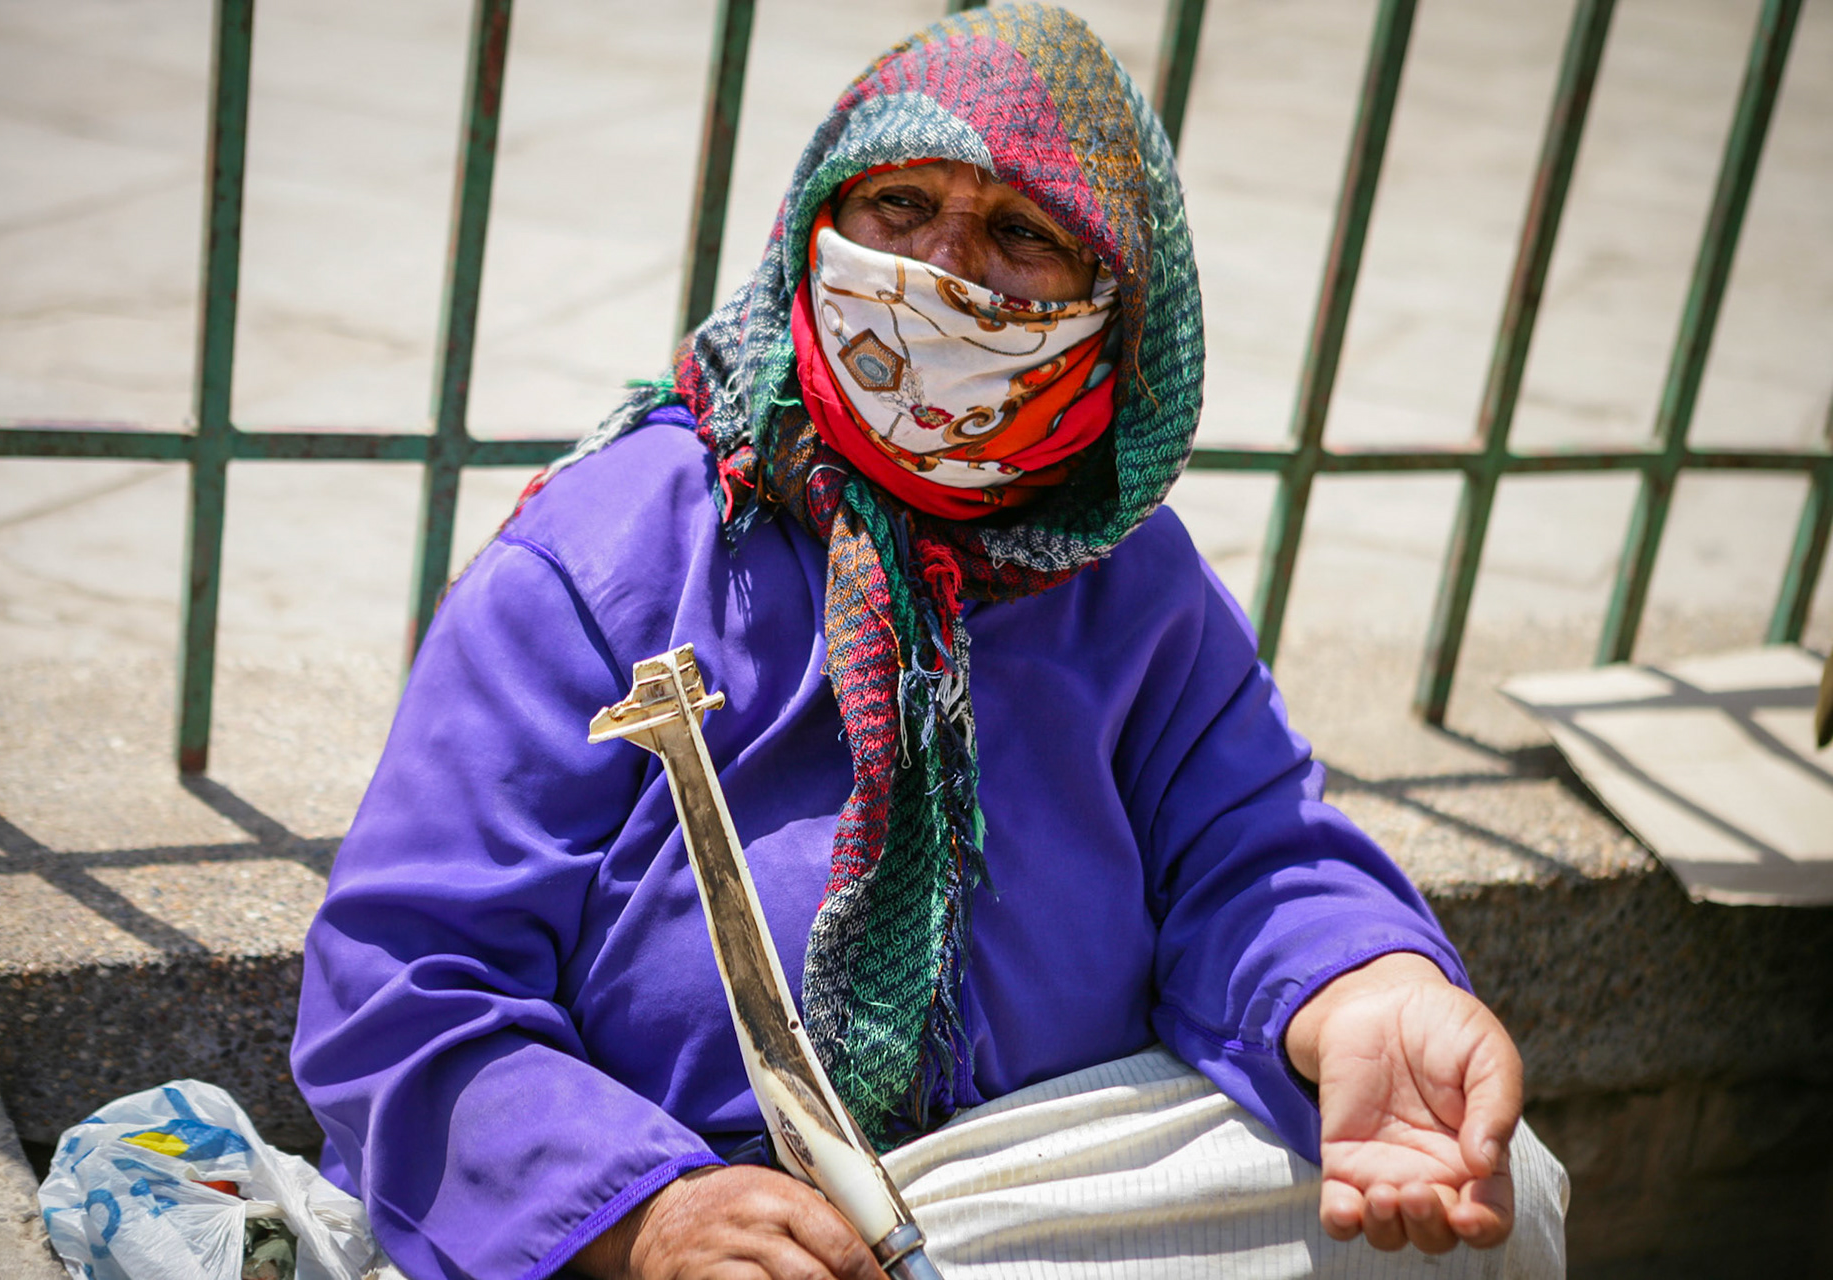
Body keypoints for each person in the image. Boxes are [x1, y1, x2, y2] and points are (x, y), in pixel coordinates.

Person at [292, 7, 1567, 1279]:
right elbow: (405, 983)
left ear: (1112, 309)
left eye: (1021, 232)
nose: (944, 268)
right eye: (898, 206)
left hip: (1039, 1175)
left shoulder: (1132, 586)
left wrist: (1358, 991)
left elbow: (1253, 855)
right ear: (816, 230)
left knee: (1486, 1195)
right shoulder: (609, 556)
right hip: (685, 1209)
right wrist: (649, 1213)